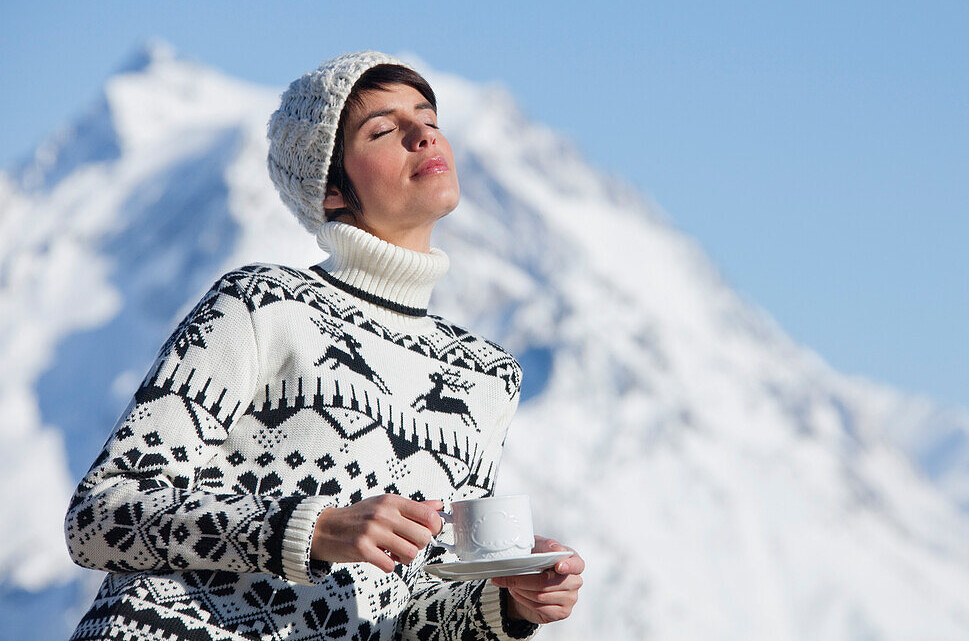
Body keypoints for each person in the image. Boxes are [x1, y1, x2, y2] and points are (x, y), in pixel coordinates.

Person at [64, 50, 584, 641]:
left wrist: (510, 604)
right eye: (384, 129)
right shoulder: (261, 304)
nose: (422, 135)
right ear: (332, 188)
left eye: (430, 119)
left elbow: (404, 616)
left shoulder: (486, 376)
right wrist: (310, 530)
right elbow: (101, 514)